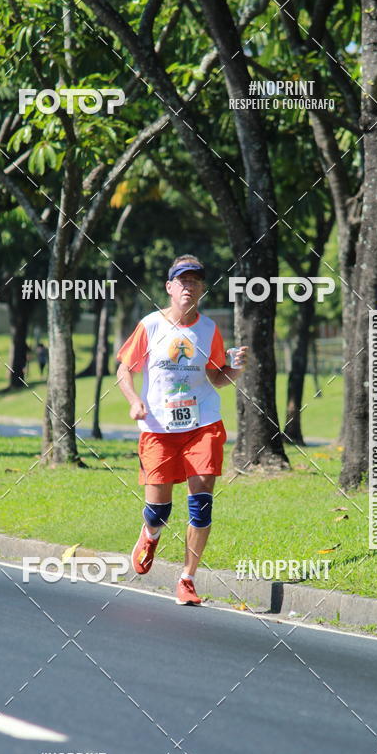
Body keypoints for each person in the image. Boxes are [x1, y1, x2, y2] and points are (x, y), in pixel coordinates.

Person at [117, 254, 247, 605]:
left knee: (201, 506)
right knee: (159, 511)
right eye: (182, 281)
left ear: (202, 289)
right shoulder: (150, 326)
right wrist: (134, 401)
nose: (189, 287)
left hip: (202, 425)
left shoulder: (209, 330)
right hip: (158, 427)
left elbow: (217, 377)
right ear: (170, 288)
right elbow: (124, 370)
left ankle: (187, 579)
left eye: (195, 281)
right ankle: (150, 533)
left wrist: (237, 370)